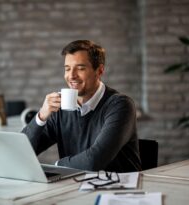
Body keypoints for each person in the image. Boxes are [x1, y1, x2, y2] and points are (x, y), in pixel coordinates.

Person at [22, 40, 141, 172]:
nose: (71, 75)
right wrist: (41, 116)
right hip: (76, 186)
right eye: (67, 69)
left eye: (80, 68)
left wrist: (56, 167)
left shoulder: (120, 105)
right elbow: (21, 152)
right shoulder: (61, 107)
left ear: (99, 71)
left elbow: (94, 160)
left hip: (119, 188)